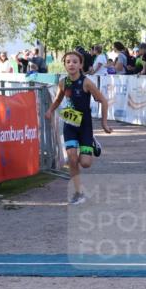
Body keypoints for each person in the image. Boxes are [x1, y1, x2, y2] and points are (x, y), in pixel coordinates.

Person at [45, 51, 113, 205]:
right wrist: (50, 110)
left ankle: (92, 142)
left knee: (85, 163)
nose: (71, 64)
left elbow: (103, 101)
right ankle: (78, 192)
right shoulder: (63, 83)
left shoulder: (86, 82)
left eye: (75, 62)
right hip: (70, 125)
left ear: (81, 65)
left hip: (85, 127)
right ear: (64, 65)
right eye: (68, 62)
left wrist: (104, 124)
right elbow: (58, 100)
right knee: (72, 158)